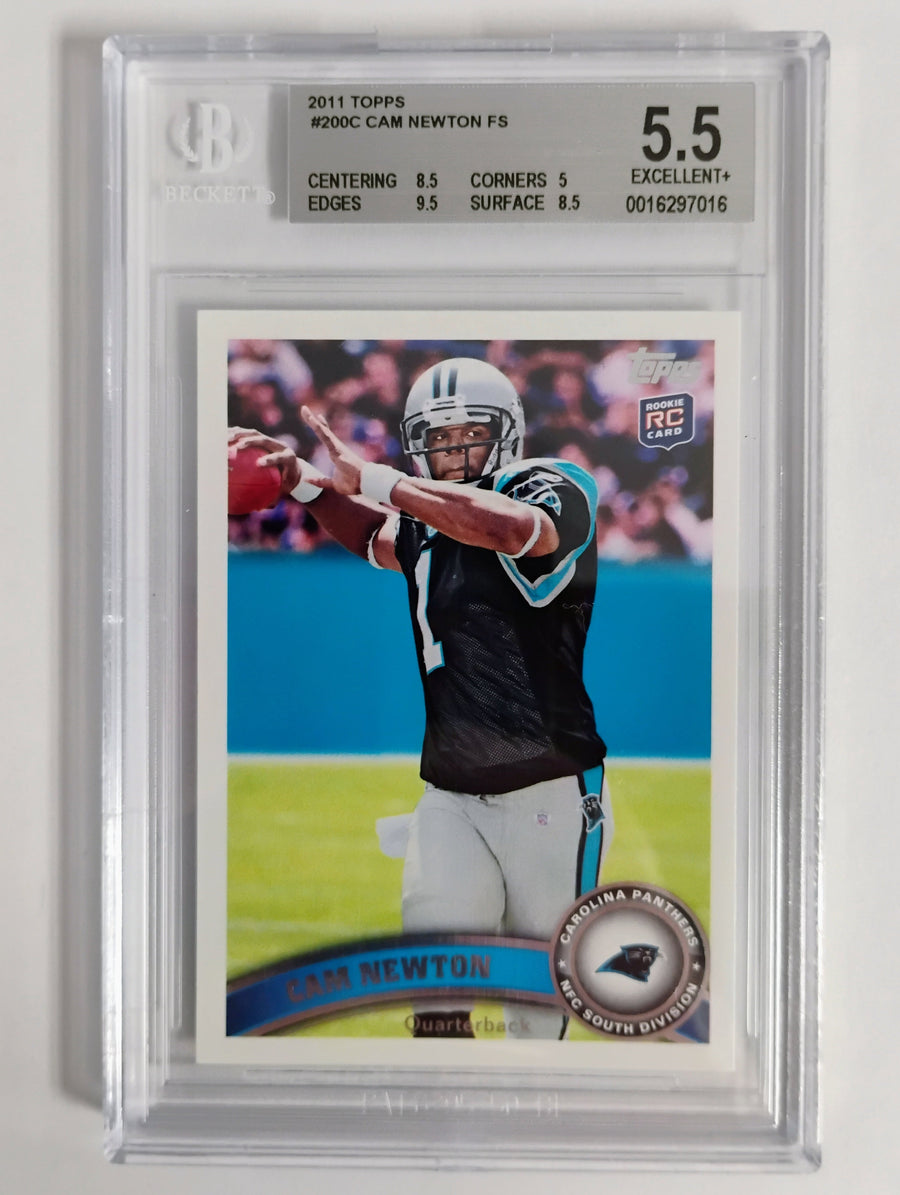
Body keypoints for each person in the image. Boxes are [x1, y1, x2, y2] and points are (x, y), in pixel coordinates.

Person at [229, 357, 612, 1039]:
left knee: (535, 1018)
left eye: (470, 433)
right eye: (439, 438)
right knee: (434, 994)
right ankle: (444, 1096)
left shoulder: (552, 484)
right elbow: (375, 536)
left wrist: (384, 481)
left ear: (507, 433)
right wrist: (305, 483)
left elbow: (510, 530)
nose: (454, 450)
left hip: (550, 790)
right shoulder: (424, 515)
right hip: (450, 795)